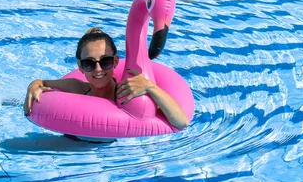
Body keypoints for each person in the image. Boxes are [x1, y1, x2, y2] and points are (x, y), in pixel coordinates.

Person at [23, 28, 189, 131]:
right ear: (80, 67)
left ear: (116, 61)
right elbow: (43, 82)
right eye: (89, 64)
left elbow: (181, 122)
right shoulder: (79, 88)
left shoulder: (130, 95)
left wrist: (150, 87)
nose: (98, 69)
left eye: (105, 61)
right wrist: (34, 84)